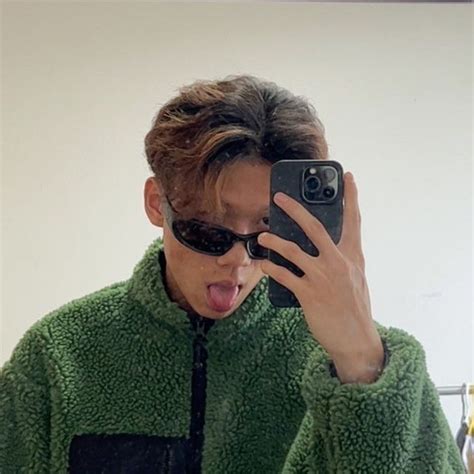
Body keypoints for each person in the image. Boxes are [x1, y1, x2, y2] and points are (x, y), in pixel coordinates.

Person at [0, 75, 464, 473]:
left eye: (266, 234)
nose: (237, 261)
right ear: (157, 204)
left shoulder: (349, 355)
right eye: (207, 231)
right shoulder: (57, 355)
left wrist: (361, 362)